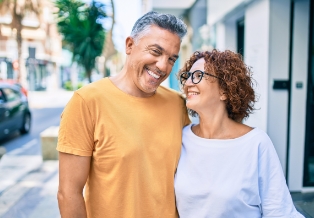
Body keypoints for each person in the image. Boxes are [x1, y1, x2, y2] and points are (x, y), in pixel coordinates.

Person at [57, 11, 190, 218]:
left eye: (171, 59)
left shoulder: (177, 104)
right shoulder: (86, 102)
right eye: (155, 51)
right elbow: (68, 193)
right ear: (129, 45)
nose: (163, 66)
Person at [174, 50, 304, 218]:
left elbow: (278, 212)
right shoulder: (181, 138)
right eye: (187, 76)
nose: (188, 83)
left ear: (224, 91)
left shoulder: (256, 143)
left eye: (198, 75)